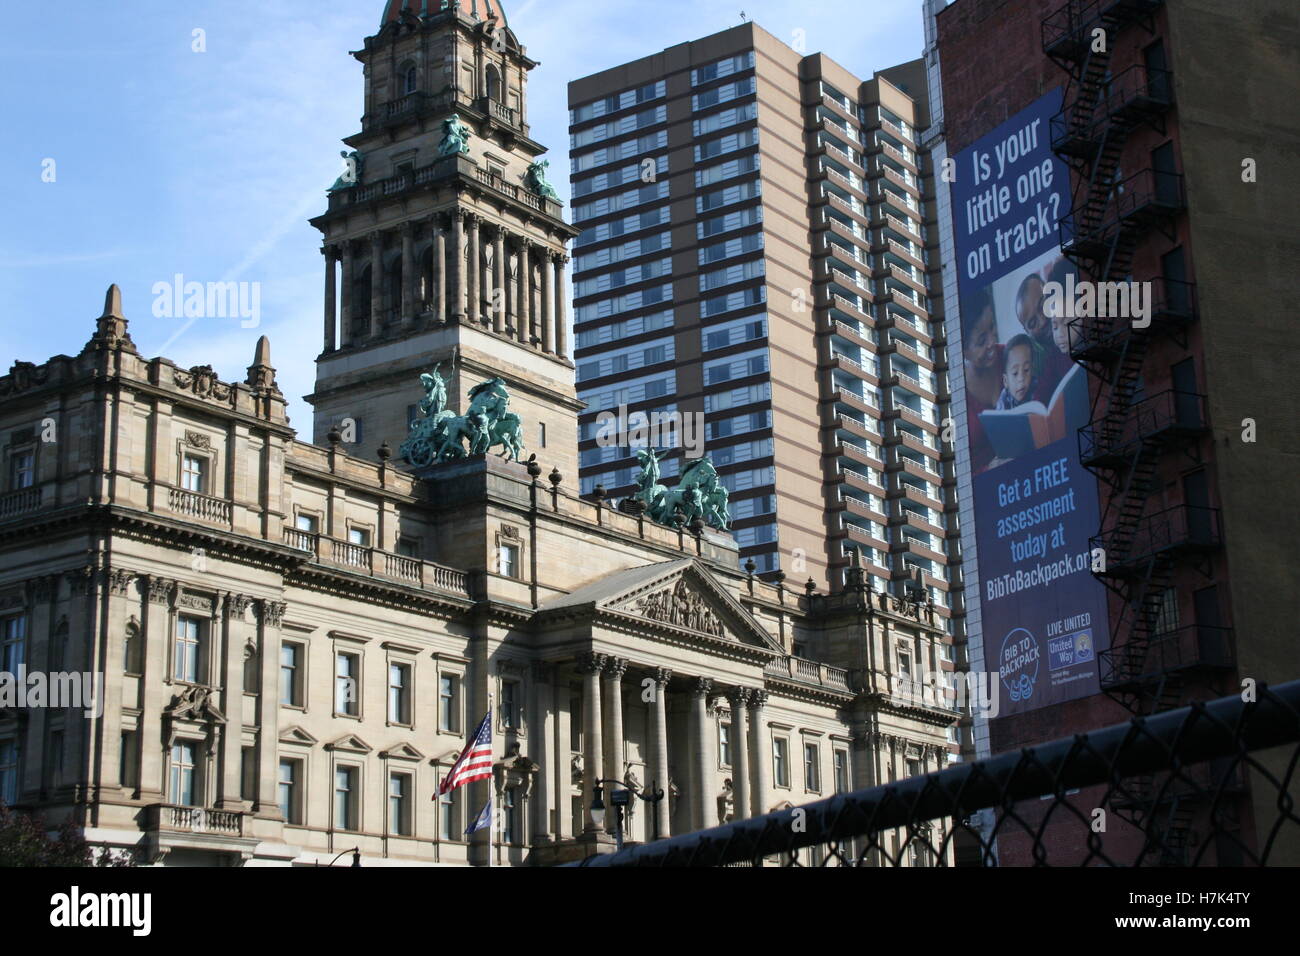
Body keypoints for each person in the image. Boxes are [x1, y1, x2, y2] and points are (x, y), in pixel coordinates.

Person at [961, 286, 1003, 473]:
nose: (991, 342)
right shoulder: (957, 396)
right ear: (964, 352)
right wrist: (990, 469)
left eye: (992, 328)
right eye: (980, 341)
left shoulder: (1012, 355)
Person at [996, 334, 1041, 409]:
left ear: (1032, 370)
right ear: (1006, 381)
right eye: (1015, 373)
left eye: (1026, 370)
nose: (1021, 378)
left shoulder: (1038, 389)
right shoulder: (1004, 399)